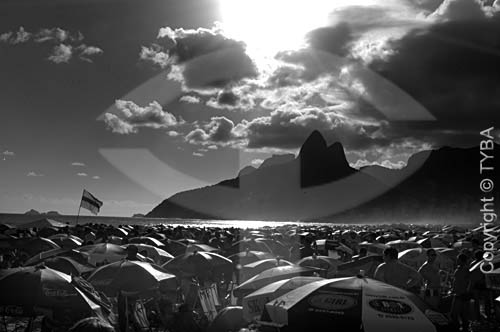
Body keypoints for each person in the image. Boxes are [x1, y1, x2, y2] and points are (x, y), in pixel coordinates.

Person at [450, 254, 471, 331]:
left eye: (458, 259)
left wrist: (466, 292)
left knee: (454, 314)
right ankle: (463, 327)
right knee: (462, 314)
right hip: (457, 293)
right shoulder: (458, 269)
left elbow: (468, 282)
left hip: (461, 294)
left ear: (462, 260)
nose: (456, 260)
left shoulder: (466, 270)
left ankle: (458, 327)